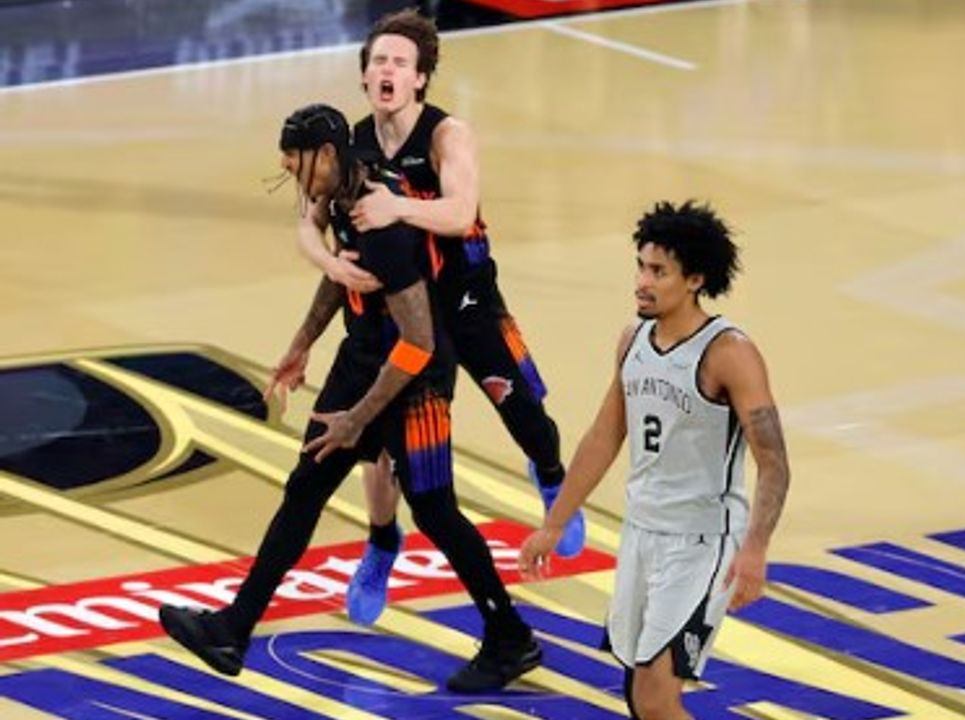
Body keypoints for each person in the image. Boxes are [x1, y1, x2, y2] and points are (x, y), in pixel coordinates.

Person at [159, 104, 541, 694]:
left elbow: (418, 341)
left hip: (413, 378)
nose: (290, 170)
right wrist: (302, 343)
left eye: (296, 160)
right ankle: (233, 629)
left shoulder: (383, 224)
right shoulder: (344, 198)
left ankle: (509, 636)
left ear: (327, 155)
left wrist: (357, 419)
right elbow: (342, 271)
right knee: (305, 486)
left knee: (434, 509)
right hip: (361, 357)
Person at [296, 8, 586, 628]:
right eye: (378, 61)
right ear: (364, 75)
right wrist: (331, 263)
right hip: (403, 310)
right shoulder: (351, 143)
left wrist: (397, 208)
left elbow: (459, 213)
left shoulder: (447, 135)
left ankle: (552, 477)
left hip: (466, 300)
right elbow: (308, 223)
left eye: (400, 62)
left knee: (523, 408)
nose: (387, 71)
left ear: (421, 77)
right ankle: (382, 542)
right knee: (380, 441)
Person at [518, 201, 792, 719]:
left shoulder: (728, 353)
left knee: (655, 697)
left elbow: (774, 461)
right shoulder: (633, 339)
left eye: (658, 272)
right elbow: (605, 436)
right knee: (638, 693)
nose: (642, 282)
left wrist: (756, 547)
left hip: (702, 541)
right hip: (642, 530)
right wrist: (555, 523)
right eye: (641, 267)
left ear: (695, 280)